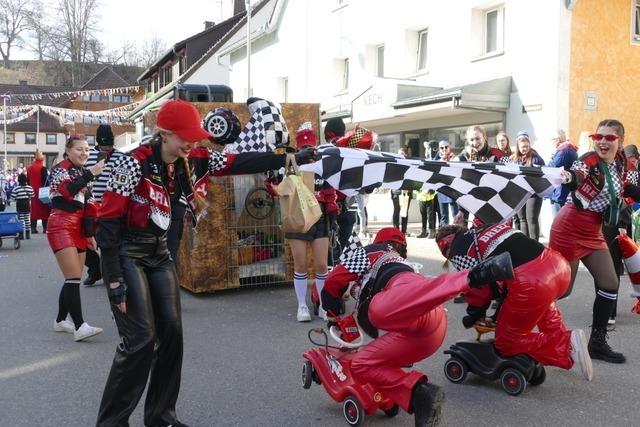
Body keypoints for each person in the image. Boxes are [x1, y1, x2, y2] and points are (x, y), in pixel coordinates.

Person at [94, 100, 315, 427]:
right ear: (164, 134)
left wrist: (287, 157)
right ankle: (111, 423)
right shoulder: (132, 163)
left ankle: (160, 415)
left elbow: (237, 161)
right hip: (128, 254)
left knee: (172, 335)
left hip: (159, 254)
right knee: (139, 340)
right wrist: (114, 282)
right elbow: (107, 223)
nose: (192, 143)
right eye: (184, 137)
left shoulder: (193, 158)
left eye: (193, 138)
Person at [321, 227, 515, 427]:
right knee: (362, 364)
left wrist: (331, 310)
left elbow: (333, 280)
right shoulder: (403, 262)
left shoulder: (373, 251)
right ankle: (420, 395)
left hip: (400, 305)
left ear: (380, 241)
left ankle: (474, 276)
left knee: (377, 310)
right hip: (432, 327)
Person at [435, 222, 593, 380]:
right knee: (545, 314)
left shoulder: (459, 251)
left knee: (507, 342)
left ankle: (567, 343)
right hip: (557, 265)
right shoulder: (487, 228)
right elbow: (504, 286)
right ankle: (570, 353)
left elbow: (479, 290)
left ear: (446, 247)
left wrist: (474, 316)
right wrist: (497, 317)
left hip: (532, 279)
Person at [550, 119, 640, 363]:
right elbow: (577, 175)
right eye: (598, 136)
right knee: (562, 288)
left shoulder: (621, 162)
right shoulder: (588, 160)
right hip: (569, 225)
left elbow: (626, 187)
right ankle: (516, 308)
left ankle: (597, 343)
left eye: (609, 138)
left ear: (619, 140)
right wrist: (569, 177)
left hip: (593, 229)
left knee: (610, 282)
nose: (602, 141)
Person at [48, 135, 105, 341]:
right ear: (68, 150)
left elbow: (89, 205)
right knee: (72, 277)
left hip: (79, 227)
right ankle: (80, 326)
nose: (84, 153)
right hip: (60, 225)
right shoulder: (60, 169)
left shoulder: (82, 172)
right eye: (79, 149)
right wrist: (91, 173)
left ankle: (60, 320)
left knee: (73, 278)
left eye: (87, 150)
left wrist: (90, 235)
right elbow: (67, 191)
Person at [286, 122, 338, 322]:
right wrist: (293, 163)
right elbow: (280, 186)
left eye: (310, 145)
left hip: (319, 217)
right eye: (303, 146)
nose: (307, 149)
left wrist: (333, 214)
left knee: (322, 265)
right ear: (298, 145)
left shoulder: (323, 163)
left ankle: (323, 305)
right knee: (300, 265)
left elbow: (330, 190)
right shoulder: (291, 161)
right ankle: (301, 306)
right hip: (297, 217)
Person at [82, 124, 125, 286]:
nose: (106, 149)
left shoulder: (121, 156)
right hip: (91, 205)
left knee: (112, 242)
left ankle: (114, 273)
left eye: (109, 146)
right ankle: (95, 270)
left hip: (113, 207)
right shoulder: (88, 156)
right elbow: (82, 178)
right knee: (85, 241)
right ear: (98, 143)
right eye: (103, 146)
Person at [508, 131, 545, 241]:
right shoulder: (514, 159)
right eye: (522, 147)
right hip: (519, 193)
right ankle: (526, 244)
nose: (525, 149)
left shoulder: (536, 158)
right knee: (522, 219)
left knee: (531, 219)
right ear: (518, 147)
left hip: (533, 193)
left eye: (527, 146)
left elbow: (543, 173)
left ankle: (535, 245)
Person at [547, 129, 578, 217]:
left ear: (558, 140)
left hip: (560, 193)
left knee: (557, 222)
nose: (552, 142)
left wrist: (550, 161)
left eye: (552, 140)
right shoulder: (568, 148)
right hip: (562, 191)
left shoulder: (564, 151)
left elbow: (552, 167)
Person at [27, 150, 51, 233]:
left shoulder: (29, 168)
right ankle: (45, 228)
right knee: (44, 210)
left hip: (32, 191)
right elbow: (46, 181)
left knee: (34, 210)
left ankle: (33, 228)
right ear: (42, 159)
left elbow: (28, 181)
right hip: (42, 191)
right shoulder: (43, 168)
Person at [435, 140, 459, 226]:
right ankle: (445, 235)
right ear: (439, 149)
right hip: (442, 189)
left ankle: (457, 233)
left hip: (452, 189)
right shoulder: (438, 161)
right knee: (443, 215)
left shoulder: (455, 159)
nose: (444, 149)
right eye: (442, 148)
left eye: (446, 147)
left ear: (449, 148)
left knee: (455, 214)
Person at [10, 173, 35, 239]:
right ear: (26, 180)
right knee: (27, 220)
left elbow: (13, 197)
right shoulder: (29, 187)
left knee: (21, 220)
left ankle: (21, 234)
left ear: (18, 180)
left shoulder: (16, 188)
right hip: (27, 204)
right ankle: (27, 234)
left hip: (19, 205)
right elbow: (32, 195)